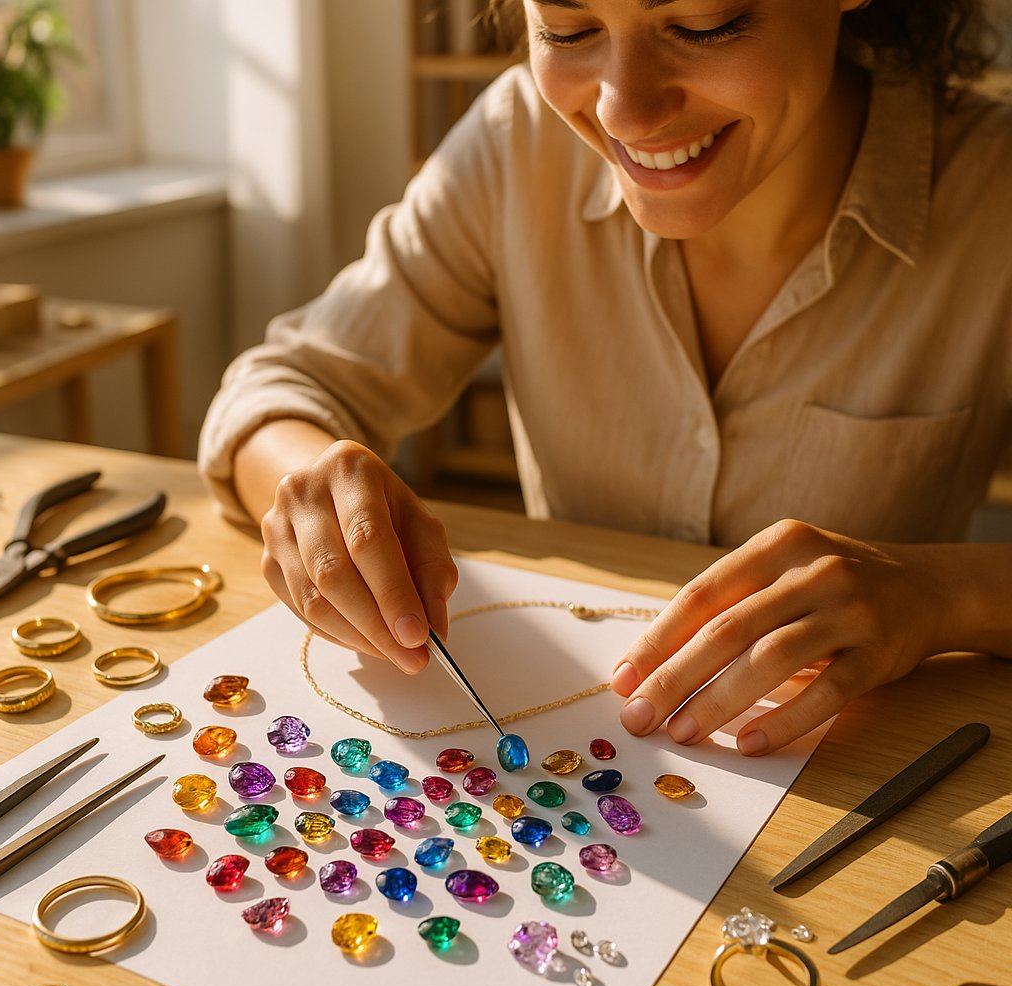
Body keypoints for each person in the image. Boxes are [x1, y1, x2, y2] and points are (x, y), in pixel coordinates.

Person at [199, 0, 1012, 757]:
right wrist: (313, 485)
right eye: (567, 29)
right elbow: (282, 386)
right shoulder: (515, 141)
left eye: (703, 24)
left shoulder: (993, 191)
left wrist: (939, 595)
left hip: (870, 781)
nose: (625, 111)